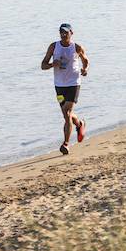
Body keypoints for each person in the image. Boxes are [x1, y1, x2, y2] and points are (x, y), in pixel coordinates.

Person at [41, 23, 88, 155]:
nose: (63, 34)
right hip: (59, 85)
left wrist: (85, 70)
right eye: (61, 32)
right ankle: (79, 124)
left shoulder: (76, 47)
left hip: (74, 83)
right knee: (65, 113)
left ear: (71, 33)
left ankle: (66, 144)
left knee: (66, 113)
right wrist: (51, 65)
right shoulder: (54, 47)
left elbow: (86, 61)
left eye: (66, 32)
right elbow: (43, 65)